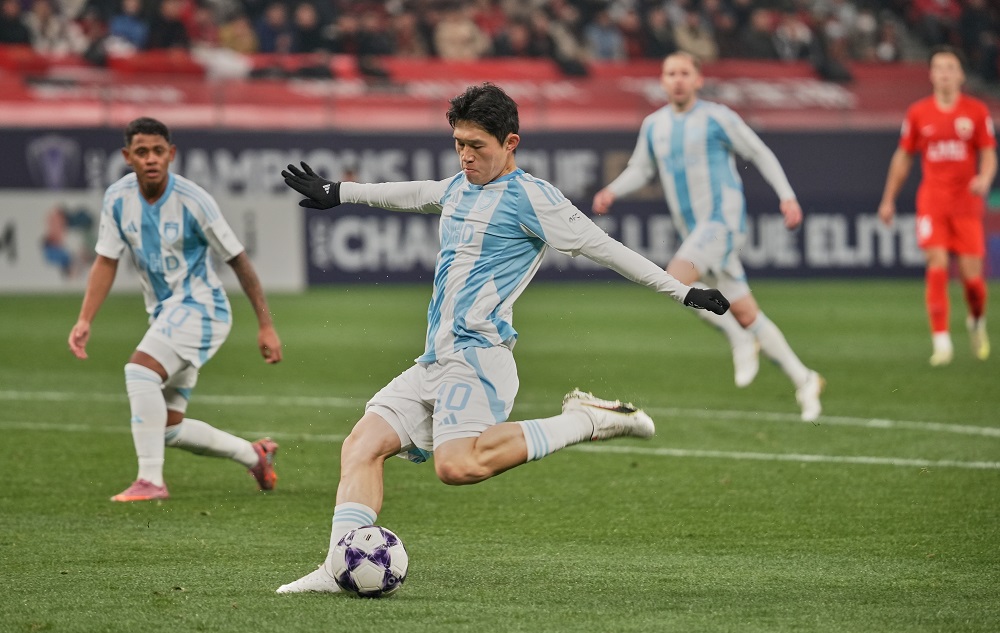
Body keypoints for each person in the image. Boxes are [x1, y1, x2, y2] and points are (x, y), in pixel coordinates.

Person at [275, 82, 730, 593]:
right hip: (435, 359)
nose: (465, 156)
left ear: (510, 143)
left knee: (456, 467)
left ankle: (587, 420)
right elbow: (416, 192)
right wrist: (339, 192)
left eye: (477, 146)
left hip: (479, 359)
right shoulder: (459, 186)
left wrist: (682, 291)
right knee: (361, 445)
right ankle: (337, 568)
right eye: (459, 144)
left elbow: (606, 248)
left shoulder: (534, 198)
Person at [592, 51, 823, 422]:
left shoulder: (718, 117)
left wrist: (787, 196)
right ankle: (804, 378)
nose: (678, 79)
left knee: (676, 278)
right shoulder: (654, 125)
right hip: (696, 231)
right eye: (671, 73)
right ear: (662, 80)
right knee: (745, 312)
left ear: (698, 80)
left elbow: (759, 152)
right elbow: (641, 169)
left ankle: (739, 339)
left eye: (685, 73)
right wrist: (613, 190)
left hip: (723, 222)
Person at [68, 117, 283, 502]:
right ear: (127, 157)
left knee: (139, 371)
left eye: (158, 151)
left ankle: (150, 481)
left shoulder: (194, 200)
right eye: (142, 152)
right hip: (166, 315)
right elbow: (106, 260)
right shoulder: (118, 199)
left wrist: (265, 326)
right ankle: (255, 456)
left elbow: (238, 260)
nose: (151, 159)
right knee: (166, 427)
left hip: (202, 309)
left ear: (171, 154)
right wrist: (85, 318)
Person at [878, 45, 997, 365]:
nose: (944, 73)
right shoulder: (918, 113)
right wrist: (888, 199)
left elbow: (988, 153)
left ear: (961, 75)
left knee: (973, 282)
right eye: (939, 68)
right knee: (937, 264)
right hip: (932, 202)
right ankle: (941, 341)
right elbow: (903, 157)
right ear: (930, 75)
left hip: (967, 205)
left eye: (950, 68)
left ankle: (976, 321)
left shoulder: (976, 111)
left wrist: (984, 178)